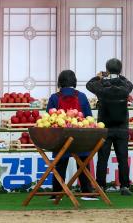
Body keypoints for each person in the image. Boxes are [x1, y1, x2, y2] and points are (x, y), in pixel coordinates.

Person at [46, 70, 97, 201]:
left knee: (60, 165)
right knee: (84, 164)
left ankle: (56, 194)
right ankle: (87, 192)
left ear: (60, 82)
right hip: (80, 138)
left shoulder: (54, 97)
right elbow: (89, 118)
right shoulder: (82, 96)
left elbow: (48, 119)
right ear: (74, 81)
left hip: (61, 139)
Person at [87, 58, 133, 196]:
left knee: (103, 157)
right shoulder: (125, 86)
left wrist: (100, 76)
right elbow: (129, 83)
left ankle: (100, 185)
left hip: (105, 127)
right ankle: (124, 186)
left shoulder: (101, 85)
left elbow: (89, 85)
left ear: (107, 70)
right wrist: (119, 75)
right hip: (122, 127)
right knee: (123, 158)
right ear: (120, 70)